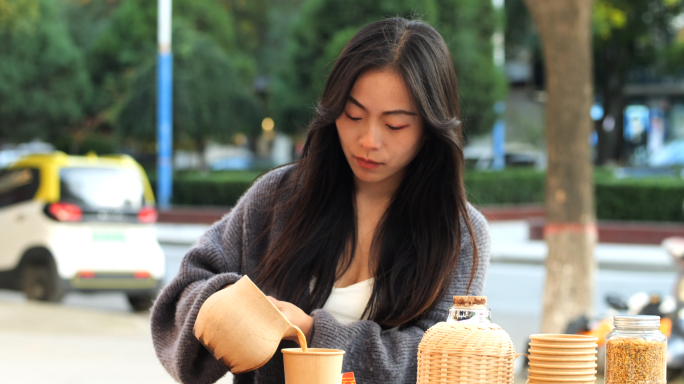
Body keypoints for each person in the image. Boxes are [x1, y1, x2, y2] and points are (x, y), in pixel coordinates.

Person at [151, 17, 490, 384]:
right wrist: (225, 304)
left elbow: (443, 359)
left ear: (430, 128)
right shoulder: (279, 197)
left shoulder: (459, 234)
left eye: (394, 125)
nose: (368, 140)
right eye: (353, 114)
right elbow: (185, 291)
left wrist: (313, 334)